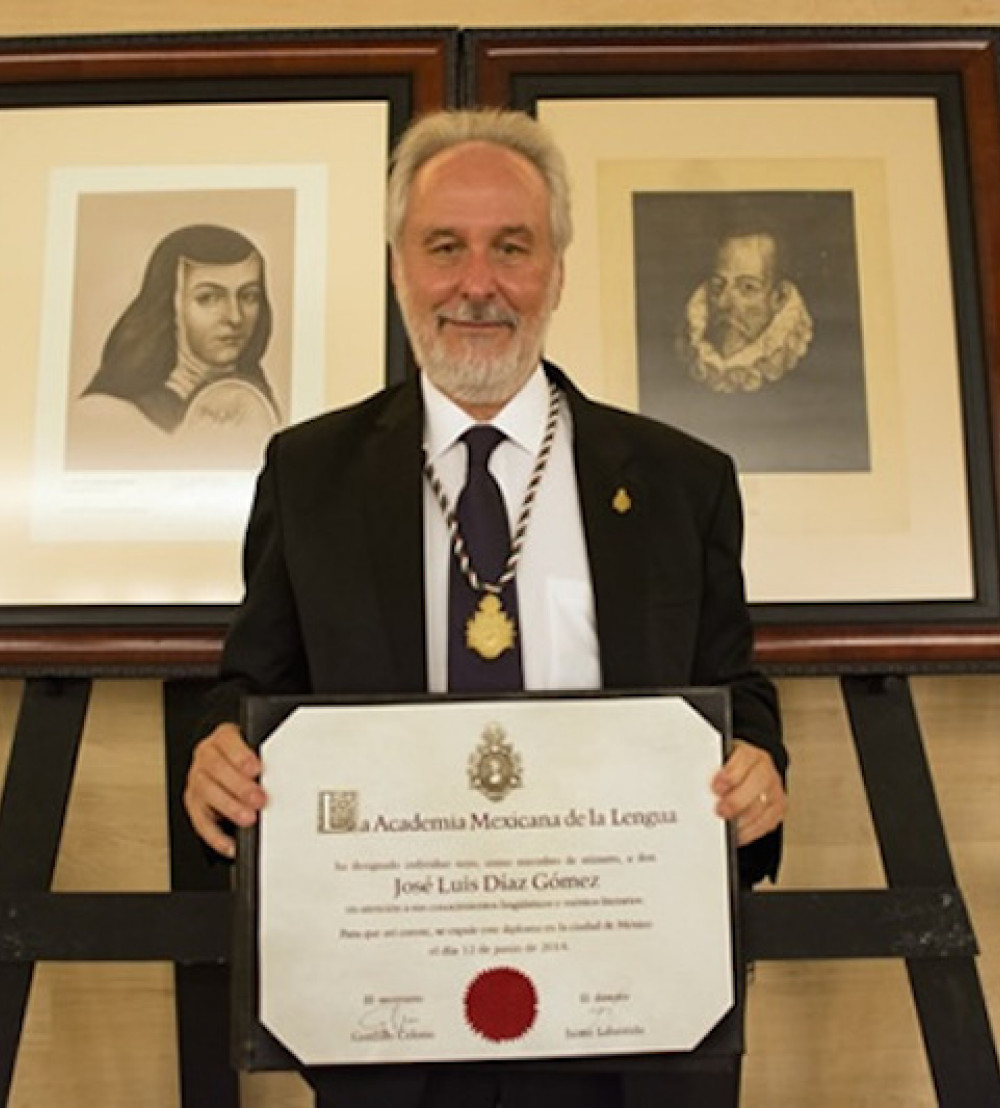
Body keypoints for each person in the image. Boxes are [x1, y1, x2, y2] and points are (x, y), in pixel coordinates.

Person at [184, 109, 787, 1108]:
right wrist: (219, 743)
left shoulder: (683, 481)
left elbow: (734, 694)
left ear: (555, 268)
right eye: (444, 247)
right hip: (392, 1016)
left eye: (512, 247)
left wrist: (760, 766)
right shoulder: (311, 475)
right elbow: (256, 686)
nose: (477, 283)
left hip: (629, 1019)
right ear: (397, 268)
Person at [80, 222, 281, 445]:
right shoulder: (111, 415)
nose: (235, 317)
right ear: (171, 305)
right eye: (208, 298)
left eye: (249, 296)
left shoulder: (262, 405)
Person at [680, 228, 813, 393]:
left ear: (779, 297)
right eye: (717, 286)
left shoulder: (809, 376)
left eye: (748, 287)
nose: (723, 303)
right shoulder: (692, 354)